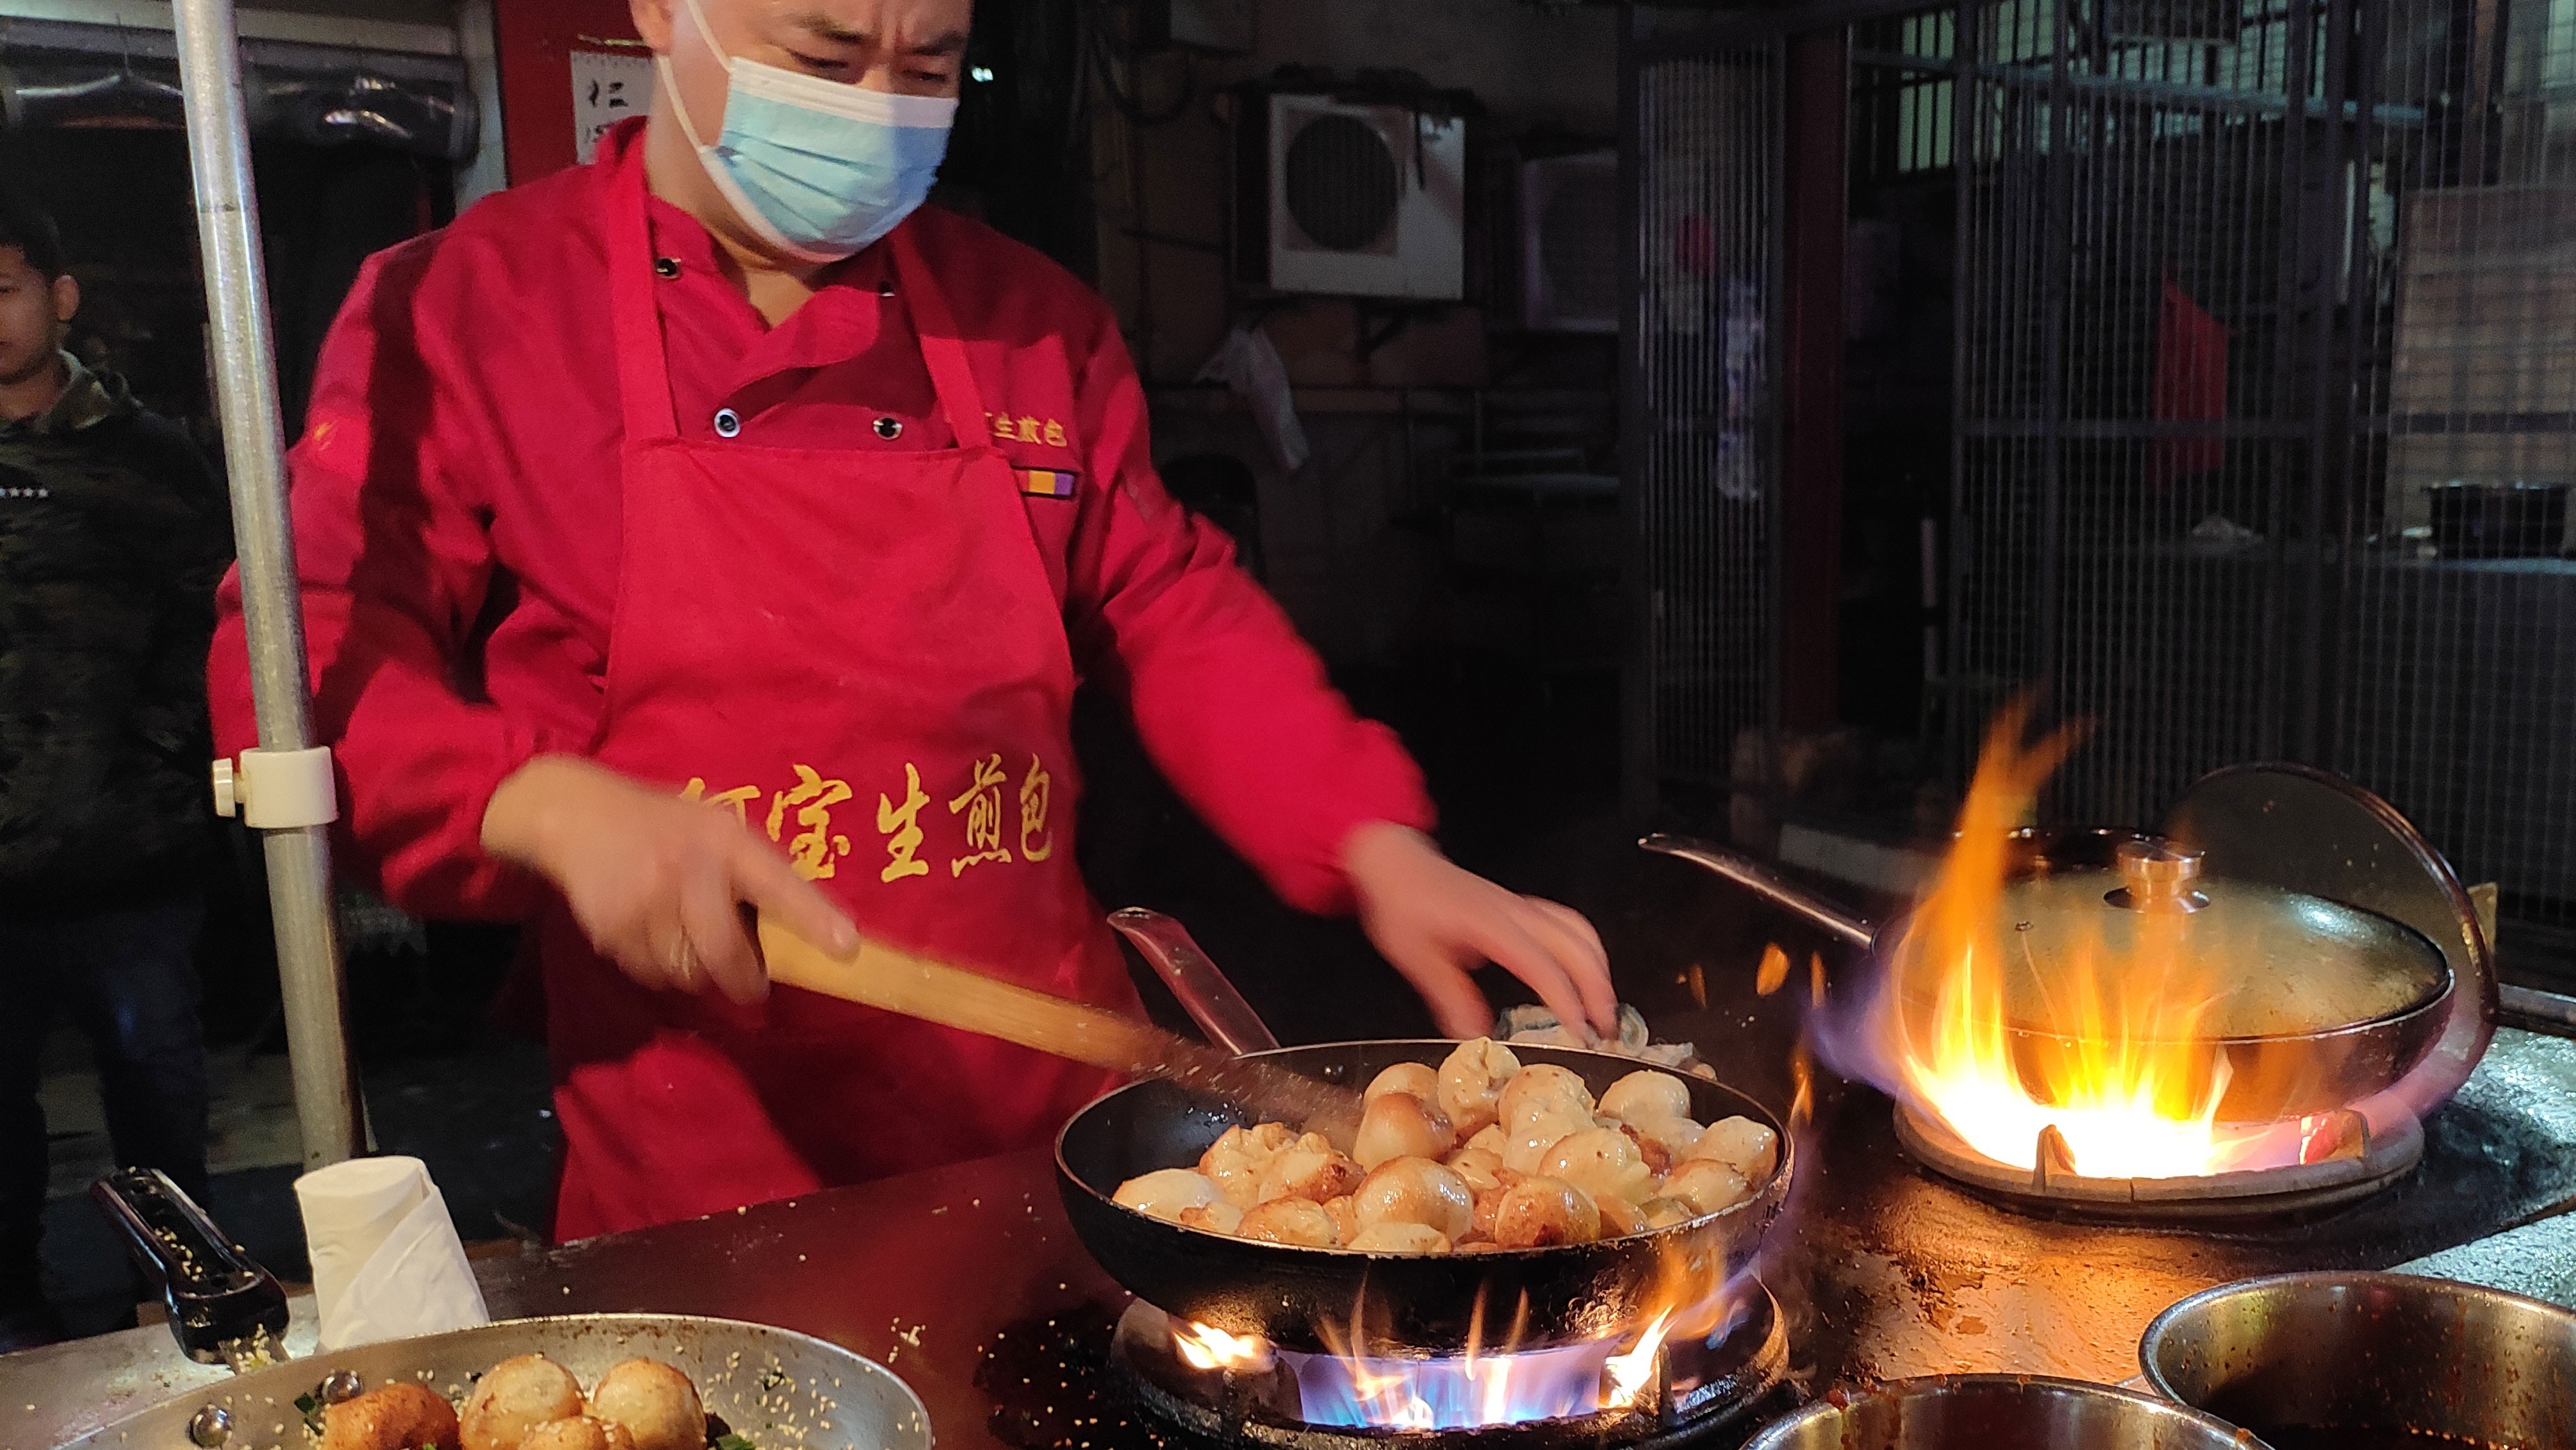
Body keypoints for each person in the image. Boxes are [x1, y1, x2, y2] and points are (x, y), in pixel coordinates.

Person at [210, 0, 1617, 1239]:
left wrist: (1368, 839)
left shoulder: (1028, 321)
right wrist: (543, 806)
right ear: (660, 10)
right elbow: (304, 659)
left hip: (1049, 1131)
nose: (874, 110)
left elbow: (1169, 601)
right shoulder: (474, 306)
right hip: (709, 1169)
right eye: (824, 55)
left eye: (928, 65)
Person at [0, 195, 235, 1344]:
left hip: (129, 855)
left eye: (1, 292)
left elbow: (214, 622)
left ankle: (179, 1296)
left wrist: (153, 761)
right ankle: (14, 1319)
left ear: (61, 297)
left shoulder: (151, 456)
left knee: (158, 1089)